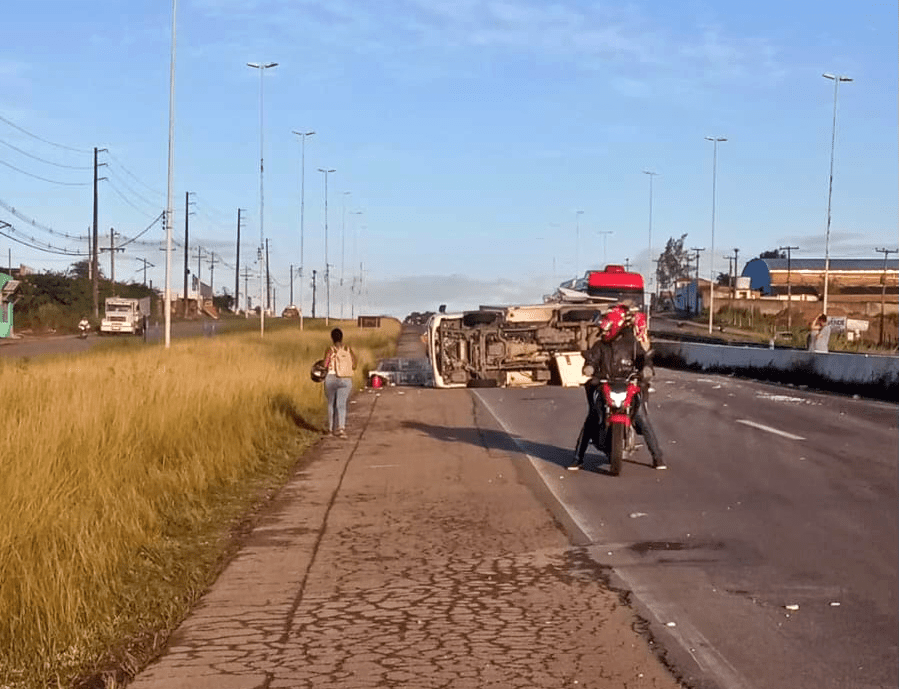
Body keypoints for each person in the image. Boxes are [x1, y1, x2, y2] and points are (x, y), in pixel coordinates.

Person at [568, 303, 666, 471]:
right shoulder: (600, 345)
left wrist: (647, 369)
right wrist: (589, 367)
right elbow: (591, 358)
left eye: (607, 329)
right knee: (592, 417)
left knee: (641, 417)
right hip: (605, 384)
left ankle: (657, 457)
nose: (604, 332)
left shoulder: (632, 344)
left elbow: (645, 358)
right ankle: (578, 457)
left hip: (628, 384)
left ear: (616, 326)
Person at [323, 328, 357, 438]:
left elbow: (325, 365)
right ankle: (341, 429)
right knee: (341, 405)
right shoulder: (348, 349)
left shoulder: (330, 349)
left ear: (332, 338)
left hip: (331, 377)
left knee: (331, 404)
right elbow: (354, 365)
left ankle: (330, 430)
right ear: (342, 337)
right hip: (346, 379)